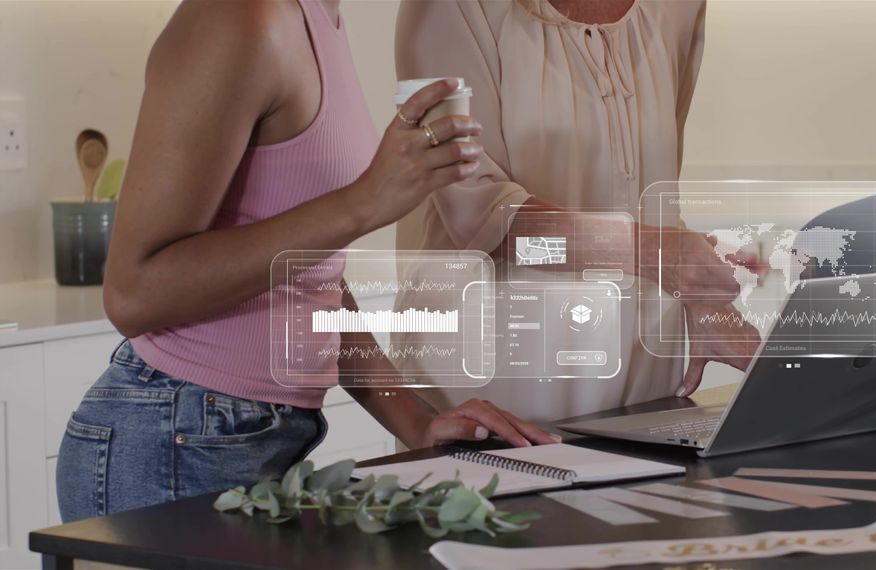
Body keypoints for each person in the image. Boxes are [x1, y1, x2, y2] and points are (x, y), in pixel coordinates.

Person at [56, 0, 557, 523]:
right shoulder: (238, 18)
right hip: (173, 439)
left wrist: (415, 420)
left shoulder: (320, 19)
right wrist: (362, 203)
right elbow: (134, 293)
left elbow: (311, 278)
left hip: (247, 437)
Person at [393, 0, 759, 426]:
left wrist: (697, 285)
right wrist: (661, 254)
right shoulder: (452, 7)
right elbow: (479, 219)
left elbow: (647, 187)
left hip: (642, 378)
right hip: (496, 385)